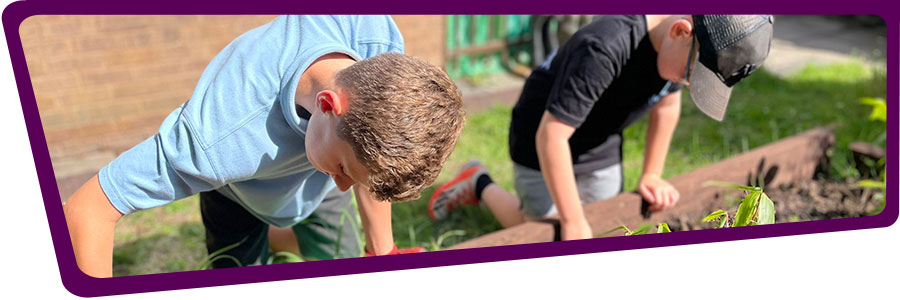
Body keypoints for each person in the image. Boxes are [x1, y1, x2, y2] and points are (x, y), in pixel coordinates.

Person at [63, 15, 466, 277]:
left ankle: (289, 229)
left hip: (312, 178)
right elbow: (88, 209)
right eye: (345, 171)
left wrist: (383, 252)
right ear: (327, 105)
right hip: (238, 200)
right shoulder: (218, 135)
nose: (345, 186)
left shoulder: (375, 39)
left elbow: (363, 165)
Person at [429, 15, 773, 240]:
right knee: (544, 229)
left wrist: (651, 174)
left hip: (600, 141)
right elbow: (552, 136)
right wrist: (573, 220)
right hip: (541, 137)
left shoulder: (677, 54)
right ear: (680, 31)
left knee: (608, 226)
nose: (686, 84)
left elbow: (667, 105)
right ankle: (479, 181)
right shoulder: (605, 48)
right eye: (690, 76)